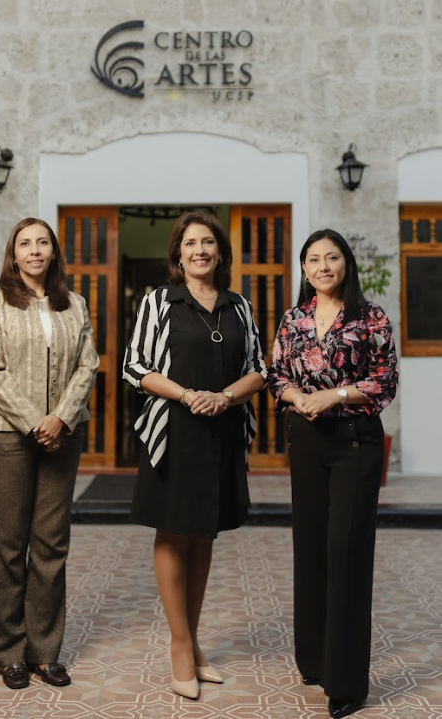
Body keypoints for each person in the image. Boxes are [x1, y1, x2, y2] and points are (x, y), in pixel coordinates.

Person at [123, 209, 267, 700]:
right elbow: (135, 366)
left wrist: (224, 397)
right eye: (190, 243)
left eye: (208, 242)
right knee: (173, 531)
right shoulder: (159, 301)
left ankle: (194, 640)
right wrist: (187, 395)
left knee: (204, 533)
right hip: (174, 430)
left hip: (223, 429)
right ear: (178, 254)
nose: (200, 250)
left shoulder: (239, 306)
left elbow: (259, 369)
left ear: (220, 252)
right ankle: (180, 645)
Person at [268, 229, 398, 719]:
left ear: (346, 263)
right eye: (314, 259)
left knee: (346, 549)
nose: (323, 266)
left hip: (354, 442)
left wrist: (335, 395)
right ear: (304, 268)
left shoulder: (371, 317)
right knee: (311, 545)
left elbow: (385, 380)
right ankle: (315, 659)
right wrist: (297, 397)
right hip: (305, 441)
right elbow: (277, 374)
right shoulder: (294, 318)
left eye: (332, 257)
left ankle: (346, 682)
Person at [0, 217, 99, 690]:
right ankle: (10, 653)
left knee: (51, 544)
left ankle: (44, 652)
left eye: (42, 242)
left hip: (62, 435)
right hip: (8, 437)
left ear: (53, 251)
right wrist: (33, 421)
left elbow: (88, 365)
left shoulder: (75, 304)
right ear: (14, 253)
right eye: (25, 243)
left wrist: (60, 418)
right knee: (9, 546)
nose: (34, 250)